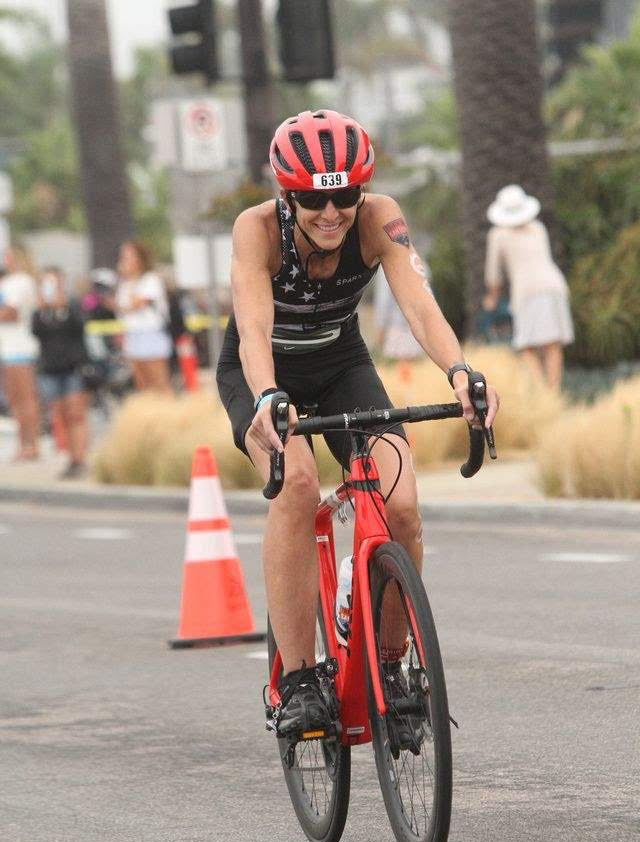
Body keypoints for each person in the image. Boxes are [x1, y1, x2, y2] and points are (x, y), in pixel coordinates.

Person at [217, 109, 499, 733]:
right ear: (286, 195)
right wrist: (267, 397)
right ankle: (296, 681)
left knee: (401, 503)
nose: (331, 214)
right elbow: (254, 329)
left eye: (344, 196)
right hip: (264, 374)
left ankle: (393, 667)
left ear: (361, 191)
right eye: (313, 200)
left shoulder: (379, 218)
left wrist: (459, 371)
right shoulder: (255, 230)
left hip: (342, 362)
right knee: (294, 485)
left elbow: (418, 304)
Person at [484, 184, 574, 390]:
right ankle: (553, 393)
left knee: (525, 346)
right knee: (552, 345)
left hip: (527, 293)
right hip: (554, 287)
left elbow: (493, 274)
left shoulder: (498, 234)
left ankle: (542, 394)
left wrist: (492, 297)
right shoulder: (537, 228)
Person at [32, 267, 90, 479]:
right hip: (51, 368)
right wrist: (41, 308)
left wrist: (63, 307)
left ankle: (80, 458)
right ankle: (70, 459)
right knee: (61, 415)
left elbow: (80, 327)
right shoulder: (41, 312)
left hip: (72, 367)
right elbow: (36, 332)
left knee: (76, 414)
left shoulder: (71, 305)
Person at [115, 240, 172, 392]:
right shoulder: (124, 284)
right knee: (142, 383)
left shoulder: (150, 280)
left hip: (151, 333)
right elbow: (120, 309)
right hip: (133, 334)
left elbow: (135, 304)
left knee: (159, 381)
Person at [0, 245, 40, 460]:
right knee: (13, 399)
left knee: (26, 398)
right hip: (6, 346)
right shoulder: (6, 282)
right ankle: (21, 443)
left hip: (21, 346)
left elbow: (11, 313)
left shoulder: (23, 281)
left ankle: (32, 443)